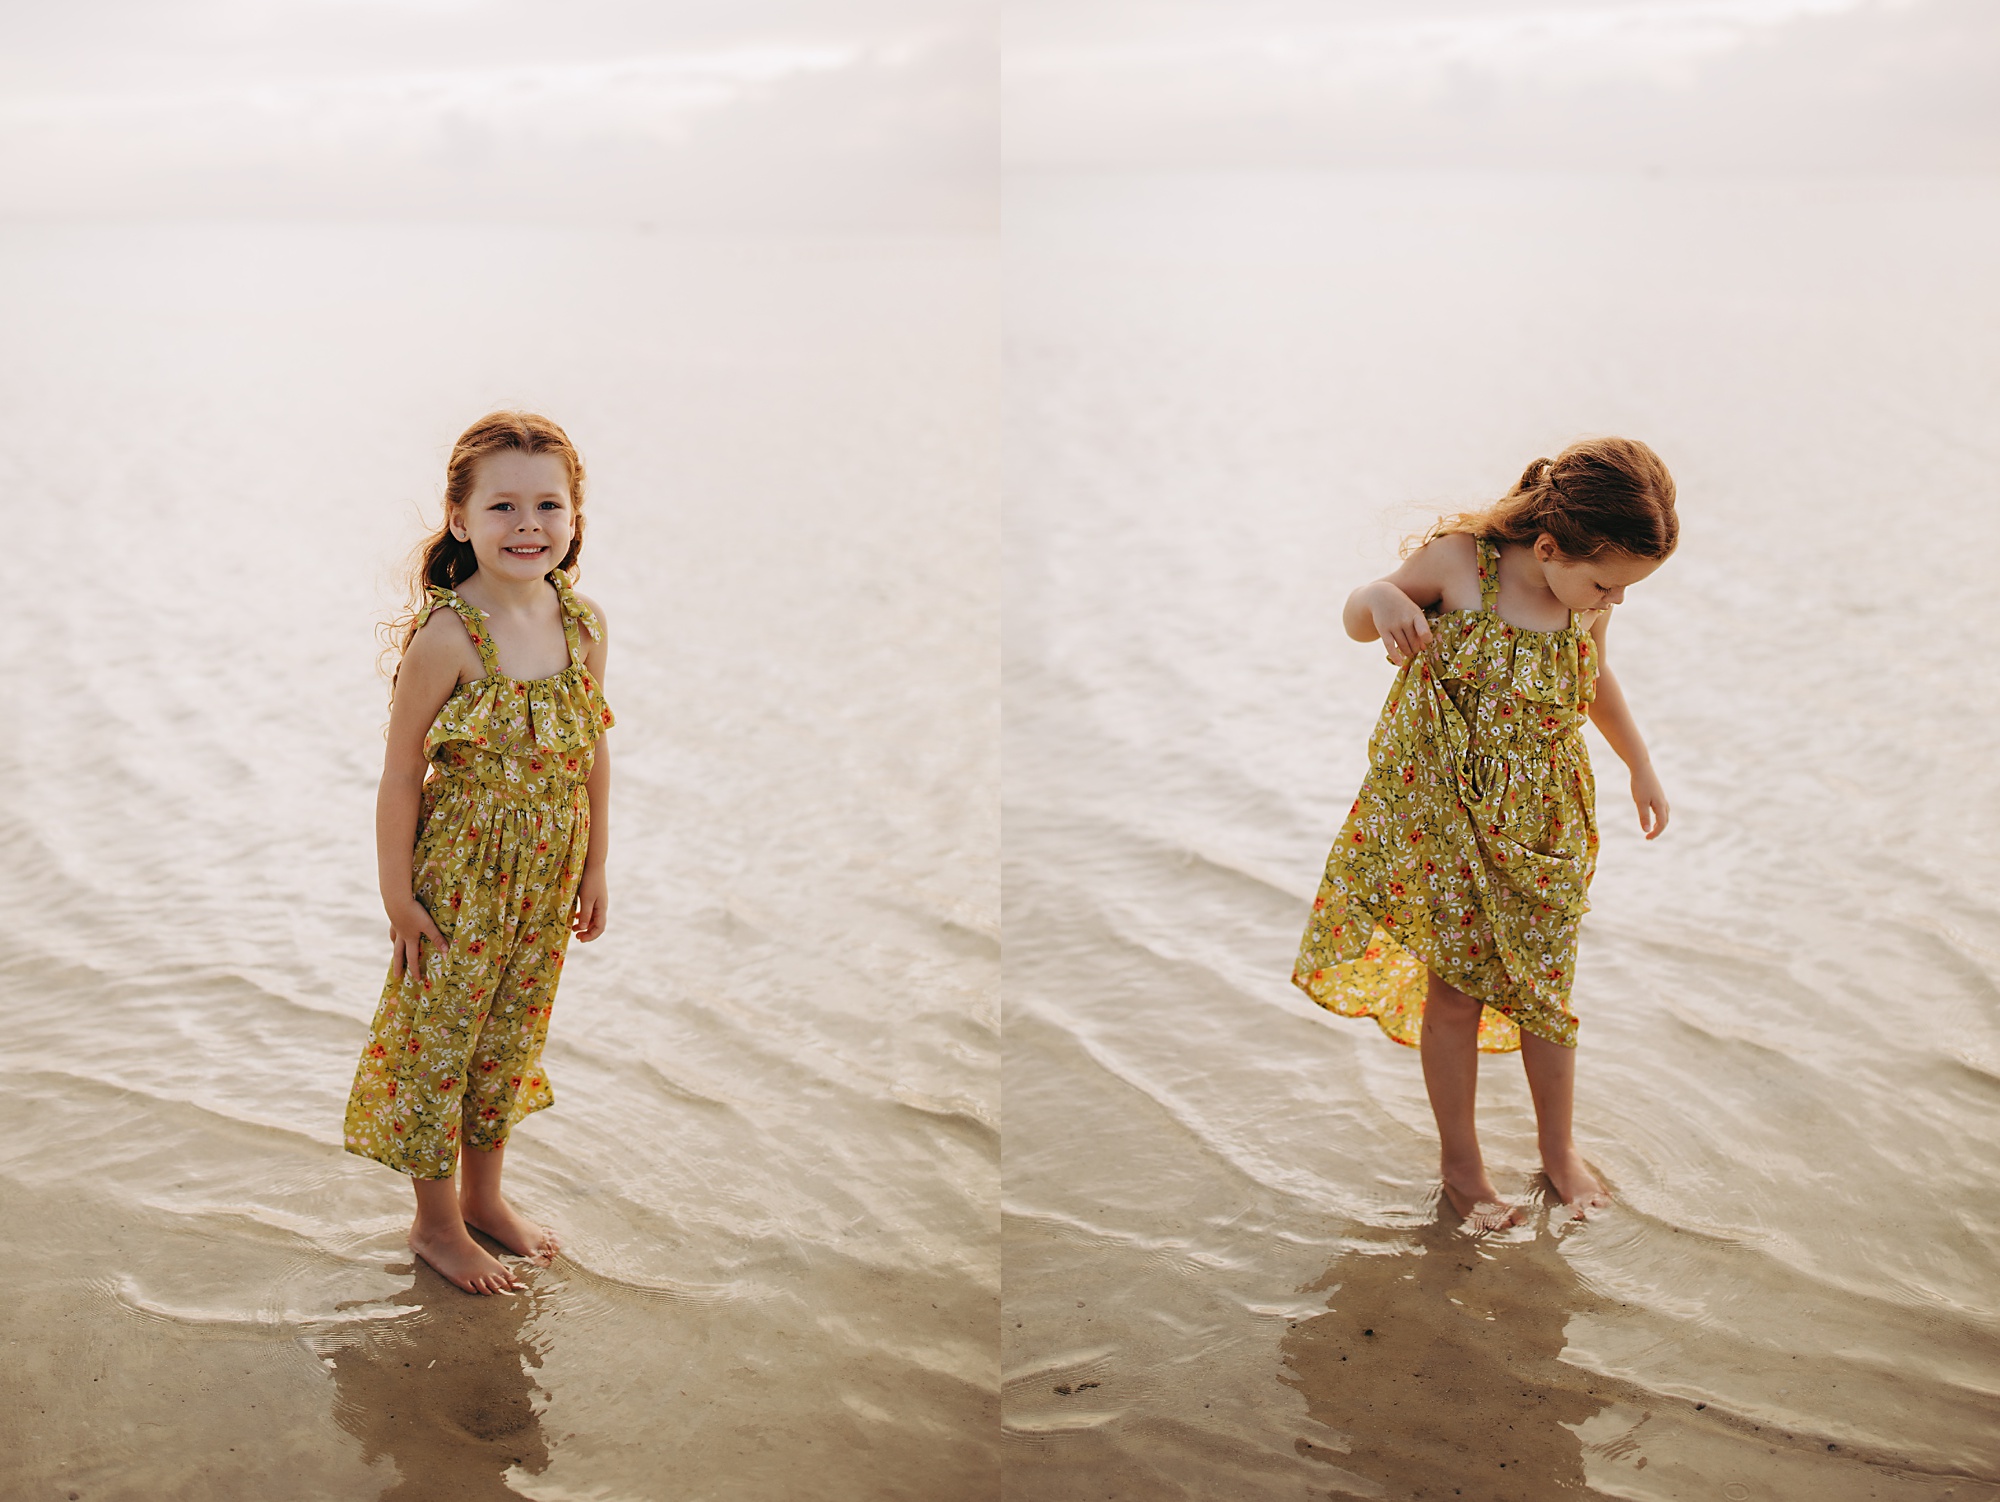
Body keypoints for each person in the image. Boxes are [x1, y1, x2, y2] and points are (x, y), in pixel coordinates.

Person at [1294, 437, 1675, 1230]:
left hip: (1543, 824)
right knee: (1457, 996)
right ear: (1547, 546)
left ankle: (1558, 1151)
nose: (1615, 600)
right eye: (1607, 581)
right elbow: (1357, 619)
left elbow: (1593, 678)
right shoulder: (1459, 563)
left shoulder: (1586, 602)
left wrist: (1639, 763)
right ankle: (1463, 1171)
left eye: (1623, 589)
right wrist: (1384, 598)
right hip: (1450, 819)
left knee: (1546, 993)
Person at [344, 411, 615, 1293]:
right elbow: (398, 776)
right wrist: (398, 897)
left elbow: (592, 748)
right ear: (460, 519)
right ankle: (433, 1223)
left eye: (548, 505)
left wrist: (596, 863)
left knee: (506, 1040)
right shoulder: (449, 638)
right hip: (460, 878)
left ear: (575, 518)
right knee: (439, 1046)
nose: (528, 525)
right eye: (503, 506)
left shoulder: (584, 626)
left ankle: (485, 1200)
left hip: (546, 875)